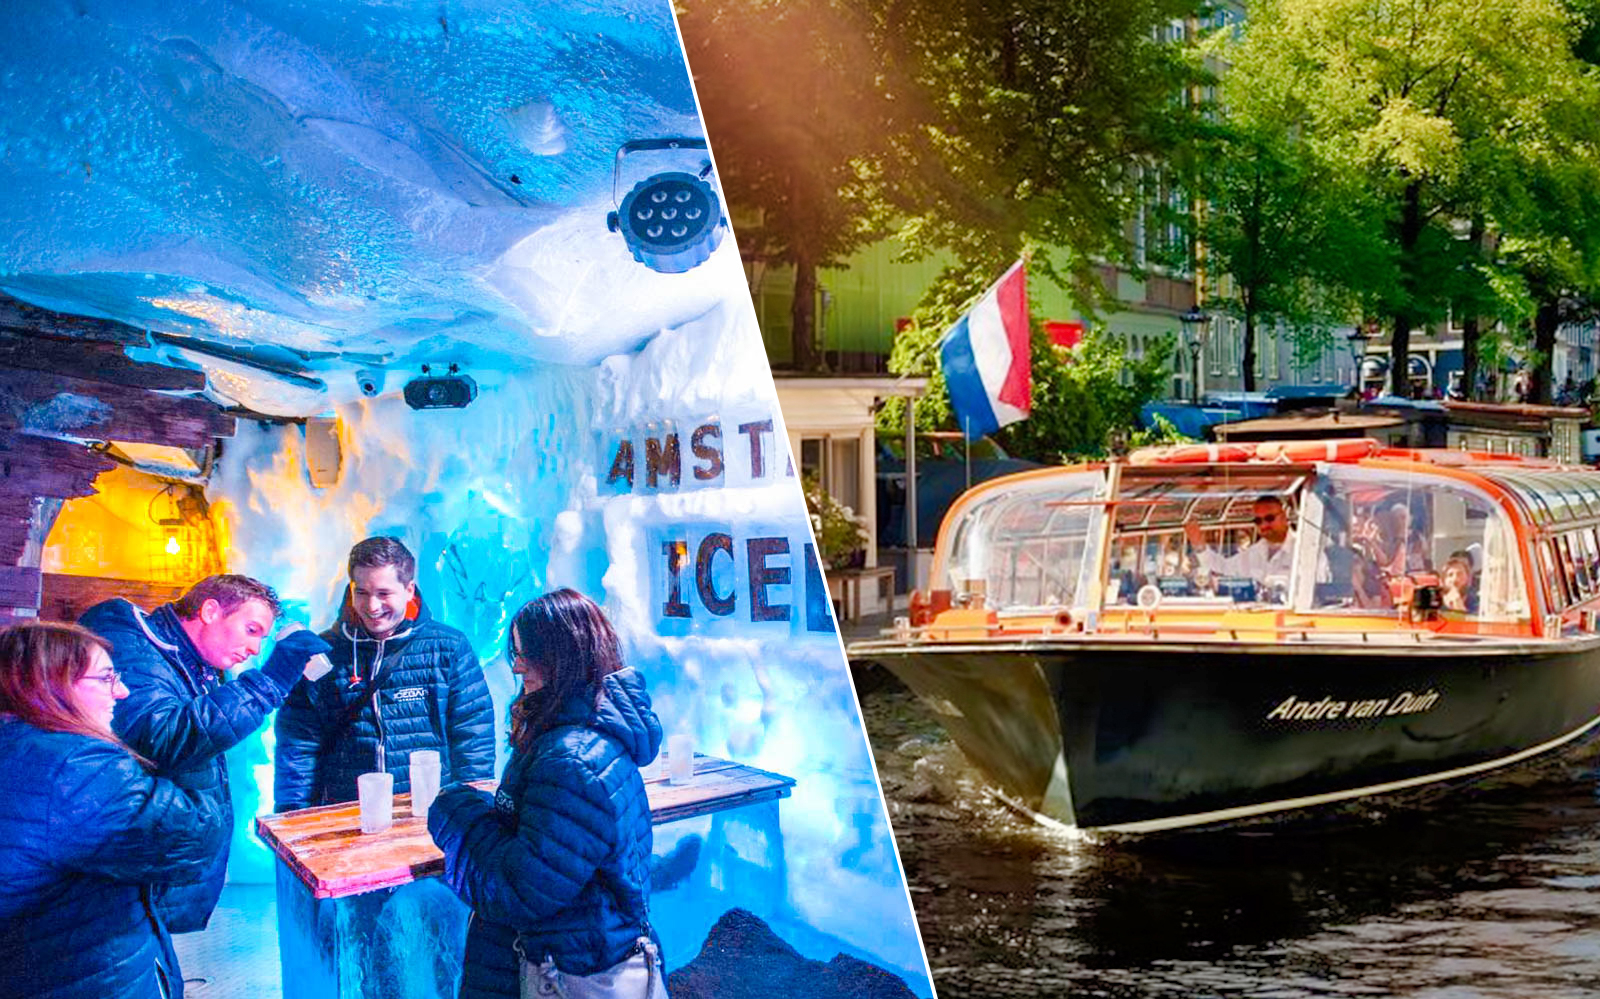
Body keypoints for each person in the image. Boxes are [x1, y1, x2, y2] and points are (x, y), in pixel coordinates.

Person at [429, 588, 665, 999]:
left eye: (526, 654)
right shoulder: (584, 735)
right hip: (583, 945)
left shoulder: (572, 760)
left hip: (563, 967)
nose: (517, 667)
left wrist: (456, 813)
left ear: (562, 656)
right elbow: (548, 839)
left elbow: (520, 889)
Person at [78, 574, 331, 934]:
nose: (256, 649)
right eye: (252, 630)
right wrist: (268, 685)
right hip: (126, 876)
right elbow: (160, 737)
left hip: (155, 869)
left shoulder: (197, 666)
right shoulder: (132, 645)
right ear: (210, 610)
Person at [0, 621, 230, 999]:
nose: (122, 692)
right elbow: (194, 838)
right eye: (106, 678)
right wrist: (192, 740)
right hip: (87, 975)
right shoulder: (76, 767)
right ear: (50, 682)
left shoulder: (20, 745)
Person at [274, 536, 494, 812]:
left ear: (409, 590)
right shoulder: (324, 654)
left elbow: (472, 735)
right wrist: (294, 815)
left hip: (428, 816)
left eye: (384, 593)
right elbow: (298, 743)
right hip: (344, 816)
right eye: (362, 592)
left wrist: (471, 812)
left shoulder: (448, 647)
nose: (372, 606)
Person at [1183, 494, 1296, 598]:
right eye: (1258, 520)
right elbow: (1222, 569)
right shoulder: (1254, 552)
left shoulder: (1302, 549)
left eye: (1269, 518)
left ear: (1284, 517)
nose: (1264, 525)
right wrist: (1198, 544)